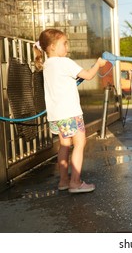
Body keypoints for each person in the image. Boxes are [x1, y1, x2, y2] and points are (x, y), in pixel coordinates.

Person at [34, 28, 107, 193]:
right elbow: (88, 75)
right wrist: (98, 64)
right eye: (64, 43)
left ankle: (64, 181)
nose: (67, 47)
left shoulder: (47, 65)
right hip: (70, 113)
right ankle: (75, 182)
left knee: (64, 145)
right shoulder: (64, 62)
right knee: (80, 143)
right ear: (52, 46)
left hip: (56, 115)